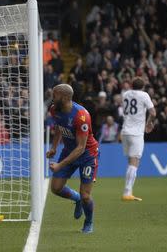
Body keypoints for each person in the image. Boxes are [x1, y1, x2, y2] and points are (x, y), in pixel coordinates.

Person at [47, 84, 99, 234]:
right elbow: (59, 126)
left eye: (55, 95)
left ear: (64, 97)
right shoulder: (54, 109)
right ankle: (76, 199)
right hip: (69, 150)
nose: (52, 97)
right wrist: (54, 147)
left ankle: (88, 222)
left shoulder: (81, 116)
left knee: (86, 196)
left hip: (88, 155)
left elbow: (81, 148)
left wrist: (59, 165)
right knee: (56, 188)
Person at [121, 77, 156, 201]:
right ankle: (127, 193)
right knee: (134, 162)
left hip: (125, 131)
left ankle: (128, 192)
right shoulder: (144, 95)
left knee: (131, 161)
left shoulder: (125, 94)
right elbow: (153, 112)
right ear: (143, 86)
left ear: (131, 85)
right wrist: (149, 123)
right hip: (136, 133)